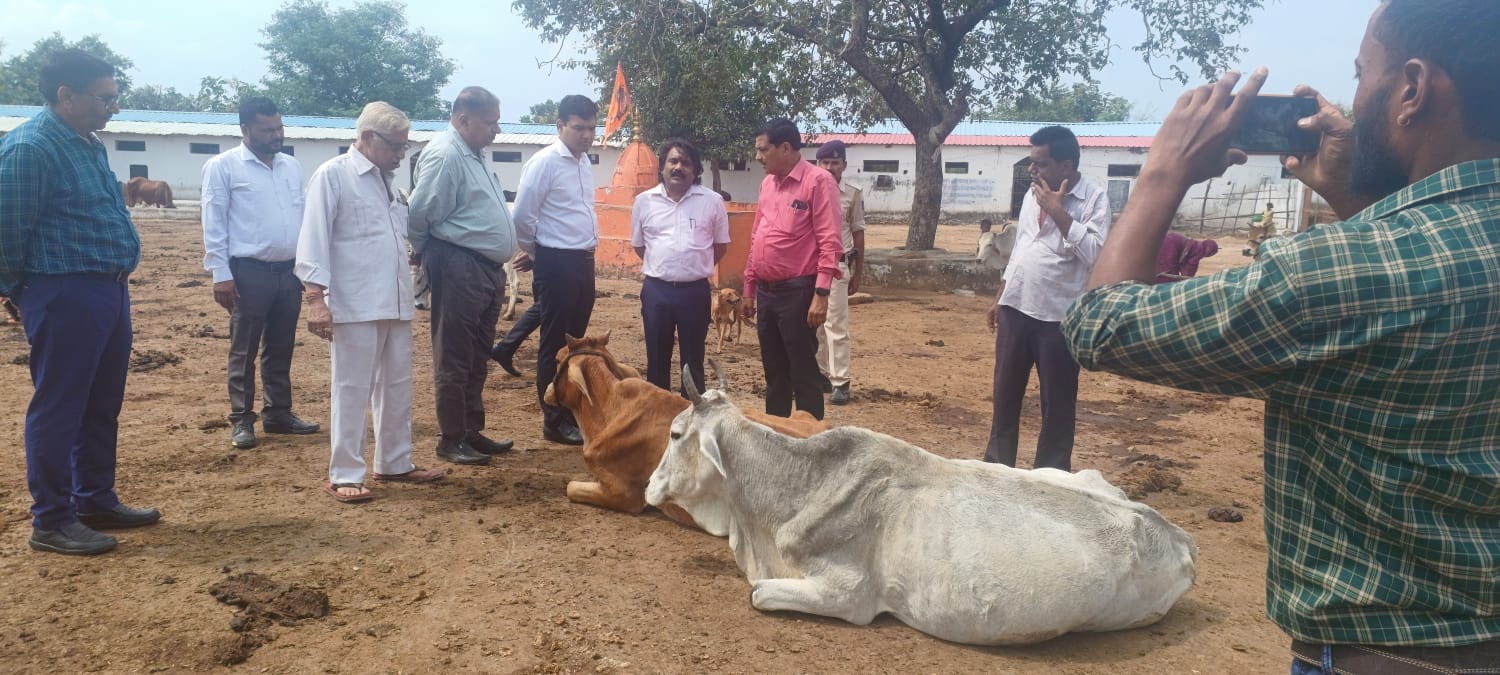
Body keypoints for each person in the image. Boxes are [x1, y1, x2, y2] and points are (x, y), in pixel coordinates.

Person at [1061, 2, 1500, 672]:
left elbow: (1102, 324)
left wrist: (1163, 173)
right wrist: (1361, 201)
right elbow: (1439, 271)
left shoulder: (1331, 274)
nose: (1352, 102)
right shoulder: (1389, 257)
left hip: (1381, 652)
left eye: (1362, 76)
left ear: (1411, 90)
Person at [0, 49, 161, 555]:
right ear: (66, 95)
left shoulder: (87, 143)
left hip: (108, 289)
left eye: (115, 97)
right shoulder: (30, 148)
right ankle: (51, 519)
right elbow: (8, 229)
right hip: (64, 289)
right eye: (104, 97)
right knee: (61, 405)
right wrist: (16, 291)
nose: (113, 106)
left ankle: (94, 498)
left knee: (100, 403)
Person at [296, 102, 443, 503]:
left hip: (395, 301)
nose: (400, 155)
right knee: (351, 387)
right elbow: (313, 240)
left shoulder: (389, 184)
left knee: (397, 386)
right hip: (354, 302)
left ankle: (395, 462)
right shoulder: (333, 177)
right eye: (395, 146)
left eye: (404, 147)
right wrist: (315, 299)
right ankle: (345, 472)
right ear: (365, 139)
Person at [982, 125, 1110, 471]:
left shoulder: (1094, 199)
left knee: (1058, 404)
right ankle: (996, 469)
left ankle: (1051, 476)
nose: (1032, 170)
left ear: (1066, 166)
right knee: (1005, 396)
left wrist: (1059, 212)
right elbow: (1023, 246)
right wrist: (1001, 295)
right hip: (1016, 307)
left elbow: (1097, 253)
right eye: (1031, 162)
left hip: (1059, 318)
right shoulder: (1031, 194)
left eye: (1040, 162)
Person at [200, 97, 321, 451]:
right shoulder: (223, 167)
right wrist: (220, 274)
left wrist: (304, 267)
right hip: (247, 273)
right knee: (244, 349)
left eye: (279, 128)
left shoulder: (291, 167)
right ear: (245, 130)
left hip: (288, 273)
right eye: (268, 130)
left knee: (281, 346)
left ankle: (278, 413)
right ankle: (241, 419)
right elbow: (214, 222)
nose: (276, 135)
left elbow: (300, 217)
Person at [408, 86, 517, 466]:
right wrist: (425, 254)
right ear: (463, 119)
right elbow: (421, 213)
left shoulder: (476, 153)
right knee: (454, 356)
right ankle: (450, 437)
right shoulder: (445, 154)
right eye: (490, 123)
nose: (496, 130)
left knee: (476, 355)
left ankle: (471, 430)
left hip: (484, 270)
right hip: (458, 265)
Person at [511, 94, 599, 446]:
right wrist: (538, 251)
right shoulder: (544, 162)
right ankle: (553, 419)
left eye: (592, 128)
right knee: (554, 344)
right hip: (555, 261)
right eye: (579, 128)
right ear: (560, 126)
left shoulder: (583, 163)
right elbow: (522, 217)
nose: (587, 135)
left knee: (574, 342)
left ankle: (568, 410)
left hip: (582, 261)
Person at [741, 118, 843, 421]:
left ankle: (810, 445)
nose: (758, 157)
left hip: (799, 293)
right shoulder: (767, 184)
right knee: (774, 373)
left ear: (786, 148)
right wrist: (749, 287)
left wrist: (821, 294)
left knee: (802, 372)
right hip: (767, 294)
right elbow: (757, 237)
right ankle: (777, 438)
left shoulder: (818, 181)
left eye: (763, 150)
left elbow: (830, 241)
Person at [630, 138, 731, 395]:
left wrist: (692, 267)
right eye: (672, 161)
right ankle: (658, 424)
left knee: (693, 361)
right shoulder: (644, 201)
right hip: (657, 292)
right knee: (656, 360)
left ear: (696, 170)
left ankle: (693, 422)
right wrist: (666, 267)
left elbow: (720, 246)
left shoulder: (712, 201)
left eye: (686, 162)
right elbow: (640, 246)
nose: (678, 167)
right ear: (662, 166)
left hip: (694, 292)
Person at [812, 140, 866, 406]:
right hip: (811, 266)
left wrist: (858, 273)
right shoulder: (809, 189)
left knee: (836, 325)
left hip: (839, 265)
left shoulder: (852, 193)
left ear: (844, 165)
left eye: (835, 162)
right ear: (817, 164)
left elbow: (858, 232)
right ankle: (821, 373)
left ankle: (841, 381)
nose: (830, 168)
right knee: (815, 325)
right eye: (825, 162)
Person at [1154, 231, 1219, 283]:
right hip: (1171, 247)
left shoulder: (1197, 244)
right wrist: (1187, 281)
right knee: (1167, 276)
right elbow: (1190, 268)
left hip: (1167, 239)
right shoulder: (1199, 250)